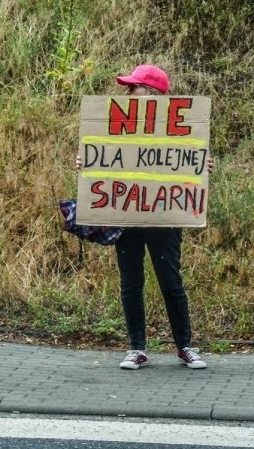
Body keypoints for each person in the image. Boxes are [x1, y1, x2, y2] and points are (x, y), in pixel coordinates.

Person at [76, 64, 211, 370]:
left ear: (153, 95)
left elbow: (189, 160)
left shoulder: (180, 125)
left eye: (133, 87)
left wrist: (201, 168)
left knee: (171, 282)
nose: (127, 93)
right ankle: (136, 348)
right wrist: (87, 161)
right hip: (127, 215)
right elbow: (106, 157)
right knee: (131, 282)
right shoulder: (117, 122)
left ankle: (185, 346)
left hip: (165, 216)